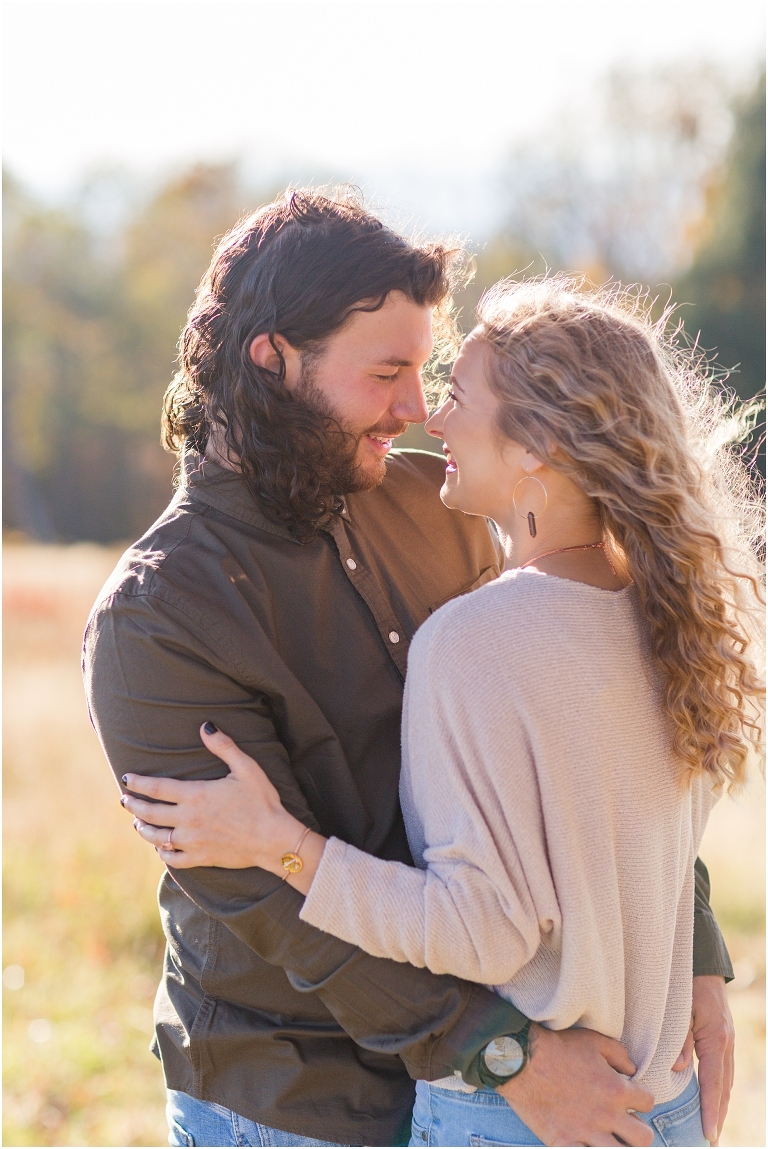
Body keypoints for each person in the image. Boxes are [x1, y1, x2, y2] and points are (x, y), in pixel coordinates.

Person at [86, 190, 736, 1149]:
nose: (417, 407)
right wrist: (504, 1054)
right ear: (272, 360)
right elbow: (271, 906)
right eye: (387, 373)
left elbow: (594, 746)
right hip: (300, 1104)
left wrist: (695, 955)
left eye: (426, 372)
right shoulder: (157, 617)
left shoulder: (447, 504)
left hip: (499, 1086)